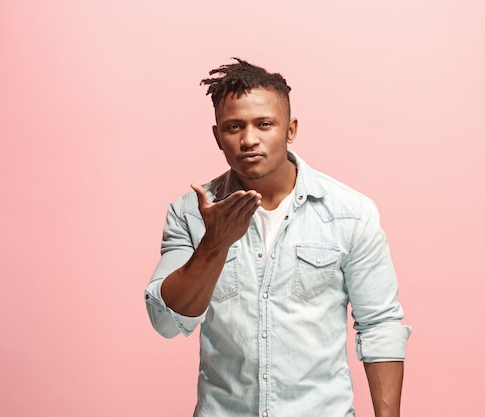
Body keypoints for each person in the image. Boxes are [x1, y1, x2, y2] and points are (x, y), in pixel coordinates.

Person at [145, 58, 412, 417]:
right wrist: (215, 243)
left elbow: (379, 326)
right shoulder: (190, 215)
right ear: (217, 136)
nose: (249, 139)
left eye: (264, 124)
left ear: (291, 129)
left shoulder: (350, 213)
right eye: (234, 126)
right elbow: (166, 322)